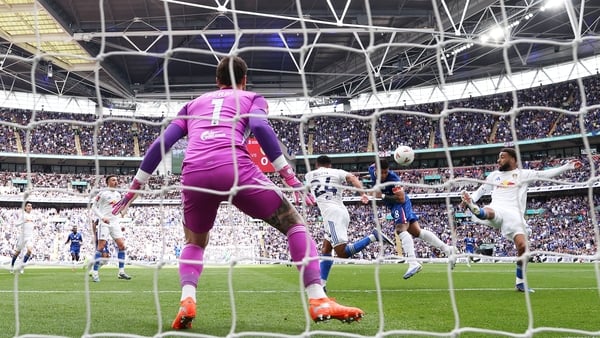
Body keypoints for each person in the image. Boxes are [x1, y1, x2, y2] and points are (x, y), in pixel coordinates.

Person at [111, 55, 364, 330]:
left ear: (216, 81)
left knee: (194, 242)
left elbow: (162, 142)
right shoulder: (252, 98)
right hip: (234, 167)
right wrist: (289, 176)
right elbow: (259, 126)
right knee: (293, 224)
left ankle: (187, 299)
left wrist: (134, 187)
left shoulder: (192, 105)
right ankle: (318, 299)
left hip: (193, 173)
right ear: (244, 80)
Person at [460, 147, 583, 293]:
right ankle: (476, 209)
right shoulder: (494, 176)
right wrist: (470, 199)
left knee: (523, 247)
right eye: (499, 157)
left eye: (502, 157)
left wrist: (567, 167)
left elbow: (545, 174)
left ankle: (520, 282)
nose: (499, 160)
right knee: (490, 212)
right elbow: (481, 191)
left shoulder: (524, 174)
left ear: (513, 159)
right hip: (497, 208)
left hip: (514, 215)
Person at [305, 155, 394, 291]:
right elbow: (352, 177)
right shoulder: (337, 172)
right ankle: (322, 285)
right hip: (340, 212)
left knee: (342, 253)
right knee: (326, 250)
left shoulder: (309, 175)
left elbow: (306, 190)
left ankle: (373, 236)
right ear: (330, 165)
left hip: (331, 216)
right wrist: (362, 193)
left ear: (317, 165)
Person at [369, 159, 457, 279]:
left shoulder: (393, 179)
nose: (384, 175)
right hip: (393, 205)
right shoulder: (371, 170)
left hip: (400, 204)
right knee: (416, 232)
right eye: (381, 172)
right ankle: (448, 249)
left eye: (386, 172)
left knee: (400, 229)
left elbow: (401, 198)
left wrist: (382, 195)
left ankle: (413, 262)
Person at [90, 175, 132, 282]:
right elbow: (93, 207)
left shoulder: (118, 195)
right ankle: (94, 272)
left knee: (122, 246)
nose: (116, 182)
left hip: (115, 222)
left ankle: (121, 272)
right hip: (104, 223)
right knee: (101, 246)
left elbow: (118, 209)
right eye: (113, 180)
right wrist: (102, 217)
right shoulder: (102, 193)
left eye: (117, 180)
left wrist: (121, 216)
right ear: (108, 182)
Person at [10, 201, 36, 274]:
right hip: (22, 236)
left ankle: (22, 266)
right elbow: (16, 224)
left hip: (29, 237)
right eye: (28, 206)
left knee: (30, 250)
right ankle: (12, 266)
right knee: (17, 253)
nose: (29, 207)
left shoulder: (33, 215)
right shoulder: (22, 215)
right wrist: (24, 221)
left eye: (30, 206)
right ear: (25, 207)